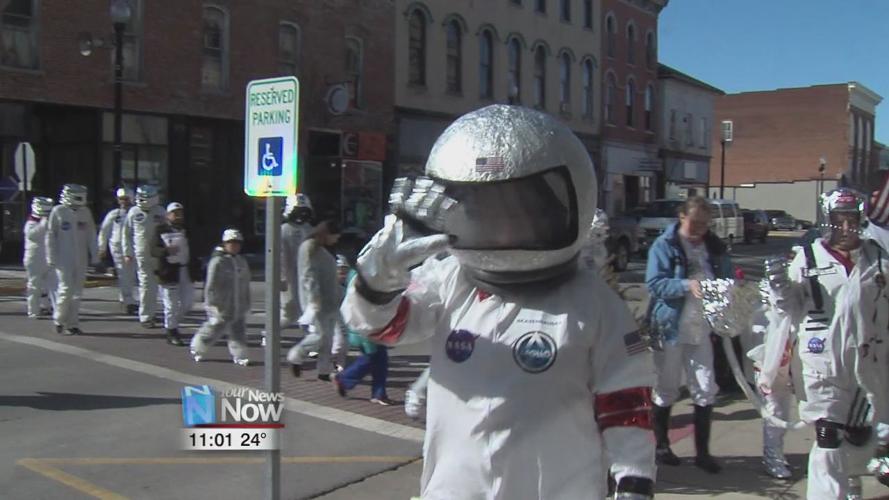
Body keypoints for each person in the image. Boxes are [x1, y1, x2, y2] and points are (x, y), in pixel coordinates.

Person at [342, 105, 656, 499]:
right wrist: (377, 282)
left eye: (520, 213)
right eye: (486, 212)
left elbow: (624, 399)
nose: (503, 229)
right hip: (456, 488)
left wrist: (634, 480)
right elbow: (382, 326)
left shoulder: (593, 302)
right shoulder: (448, 281)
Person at [763, 188, 889, 498]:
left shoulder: (879, 259)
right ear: (827, 221)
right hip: (823, 364)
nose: (846, 228)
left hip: (869, 367)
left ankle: (852, 486)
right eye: (839, 220)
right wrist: (779, 287)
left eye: (852, 220)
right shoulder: (807, 259)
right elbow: (788, 311)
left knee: (862, 439)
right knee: (828, 437)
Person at [645, 196, 731, 474]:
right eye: (695, 222)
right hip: (670, 326)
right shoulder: (664, 245)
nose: (699, 229)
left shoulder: (714, 247)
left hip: (701, 328)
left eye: (705, 224)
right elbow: (655, 283)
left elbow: (726, 278)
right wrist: (685, 284)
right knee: (667, 386)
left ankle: (703, 453)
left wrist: (727, 293)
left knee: (705, 388)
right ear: (682, 216)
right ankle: (661, 446)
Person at [287, 219, 345, 380]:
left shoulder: (322, 249)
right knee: (319, 335)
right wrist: (313, 298)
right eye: (335, 236)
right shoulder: (309, 247)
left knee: (327, 338)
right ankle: (296, 355)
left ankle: (324, 370)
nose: (336, 240)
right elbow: (308, 275)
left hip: (330, 301)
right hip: (318, 301)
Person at [332, 255, 394, 405]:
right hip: (366, 327)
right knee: (372, 358)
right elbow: (370, 303)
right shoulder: (365, 276)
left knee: (380, 359)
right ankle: (343, 379)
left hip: (366, 326)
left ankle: (378, 393)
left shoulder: (359, 273)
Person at [190, 229, 251, 366]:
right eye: (231, 243)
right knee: (213, 329)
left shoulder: (241, 261)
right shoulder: (217, 261)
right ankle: (198, 348)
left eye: (237, 243)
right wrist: (211, 305)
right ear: (225, 244)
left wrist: (246, 302)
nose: (234, 246)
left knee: (239, 331)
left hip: (238, 304)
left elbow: (246, 283)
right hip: (221, 305)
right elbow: (210, 285)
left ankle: (240, 355)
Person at [46, 184, 98, 335]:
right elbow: (50, 236)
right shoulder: (58, 211)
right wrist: (51, 257)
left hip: (80, 258)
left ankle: (72, 323)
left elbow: (91, 235)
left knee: (77, 292)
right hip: (63, 258)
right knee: (65, 289)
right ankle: (59, 319)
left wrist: (94, 256)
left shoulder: (85, 212)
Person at [123, 185, 167, 328]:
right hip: (141, 254)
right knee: (146, 285)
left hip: (157, 254)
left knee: (157, 286)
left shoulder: (160, 212)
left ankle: (153, 313)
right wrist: (127, 252)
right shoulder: (134, 212)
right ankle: (146, 316)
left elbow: (168, 232)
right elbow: (126, 234)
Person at [152, 202, 196, 346]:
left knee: (187, 303)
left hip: (185, 270)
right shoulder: (160, 230)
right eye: (174, 213)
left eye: (180, 213)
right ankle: (171, 331)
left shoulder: (187, 229)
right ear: (168, 215)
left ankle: (173, 324)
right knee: (171, 305)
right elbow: (153, 250)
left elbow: (196, 247)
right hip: (169, 271)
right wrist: (165, 251)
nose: (177, 216)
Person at [98, 187, 138, 315]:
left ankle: (126, 298)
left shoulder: (136, 213)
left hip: (134, 246)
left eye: (126, 199)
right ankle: (128, 302)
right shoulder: (114, 214)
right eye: (121, 199)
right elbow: (104, 231)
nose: (123, 201)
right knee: (123, 273)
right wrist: (102, 247)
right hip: (118, 246)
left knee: (131, 275)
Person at [279, 193, 314, 336]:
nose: (301, 215)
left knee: (310, 309)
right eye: (298, 211)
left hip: (307, 276)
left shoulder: (309, 229)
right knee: (290, 313)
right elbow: (280, 256)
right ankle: (270, 333)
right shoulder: (283, 230)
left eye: (304, 211)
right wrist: (281, 277)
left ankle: (312, 342)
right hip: (290, 277)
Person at [23, 196, 56, 318]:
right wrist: (44, 223)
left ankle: (47, 306)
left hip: (48, 257)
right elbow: (32, 235)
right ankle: (33, 310)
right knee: (34, 285)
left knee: (49, 285)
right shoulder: (31, 223)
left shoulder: (50, 222)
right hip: (34, 259)